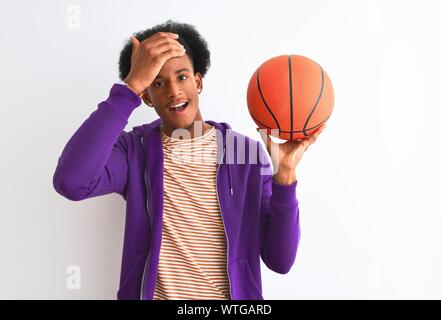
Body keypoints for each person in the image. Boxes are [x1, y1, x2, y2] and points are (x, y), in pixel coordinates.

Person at [52, 20, 326, 300]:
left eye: (182, 77)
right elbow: (71, 181)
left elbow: (280, 261)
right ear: (146, 96)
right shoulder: (135, 151)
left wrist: (286, 176)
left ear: (198, 81)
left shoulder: (246, 154)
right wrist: (130, 86)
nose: (173, 91)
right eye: (158, 83)